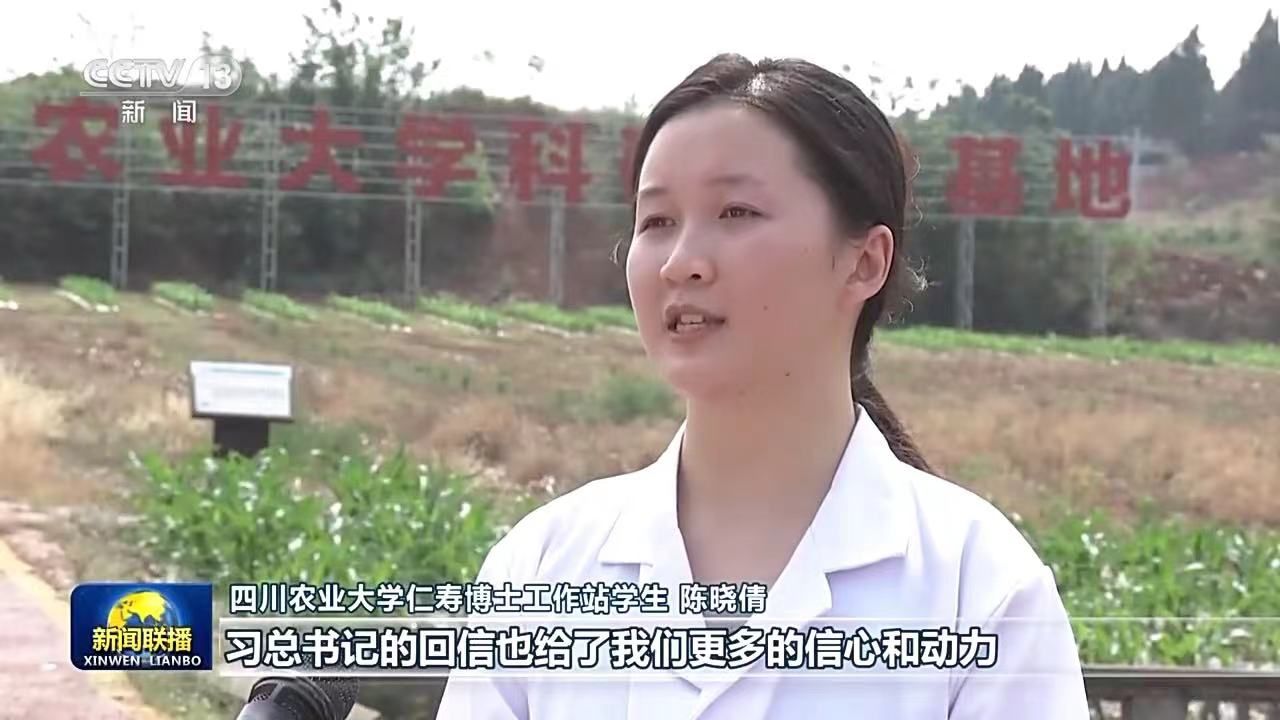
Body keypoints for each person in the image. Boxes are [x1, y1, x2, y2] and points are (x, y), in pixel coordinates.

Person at [436, 54, 1090, 719]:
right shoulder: (540, 569)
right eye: (656, 221)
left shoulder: (981, 590)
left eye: (736, 211)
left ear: (865, 262)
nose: (681, 263)